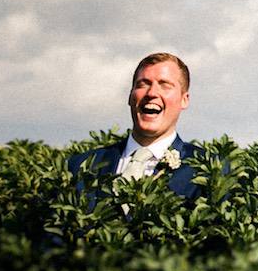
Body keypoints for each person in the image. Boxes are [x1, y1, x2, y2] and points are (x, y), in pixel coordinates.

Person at [65, 51, 212, 201]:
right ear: (130, 96)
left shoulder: (207, 171)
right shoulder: (79, 166)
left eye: (164, 85)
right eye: (143, 84)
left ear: (184, 100)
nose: (152, 92)